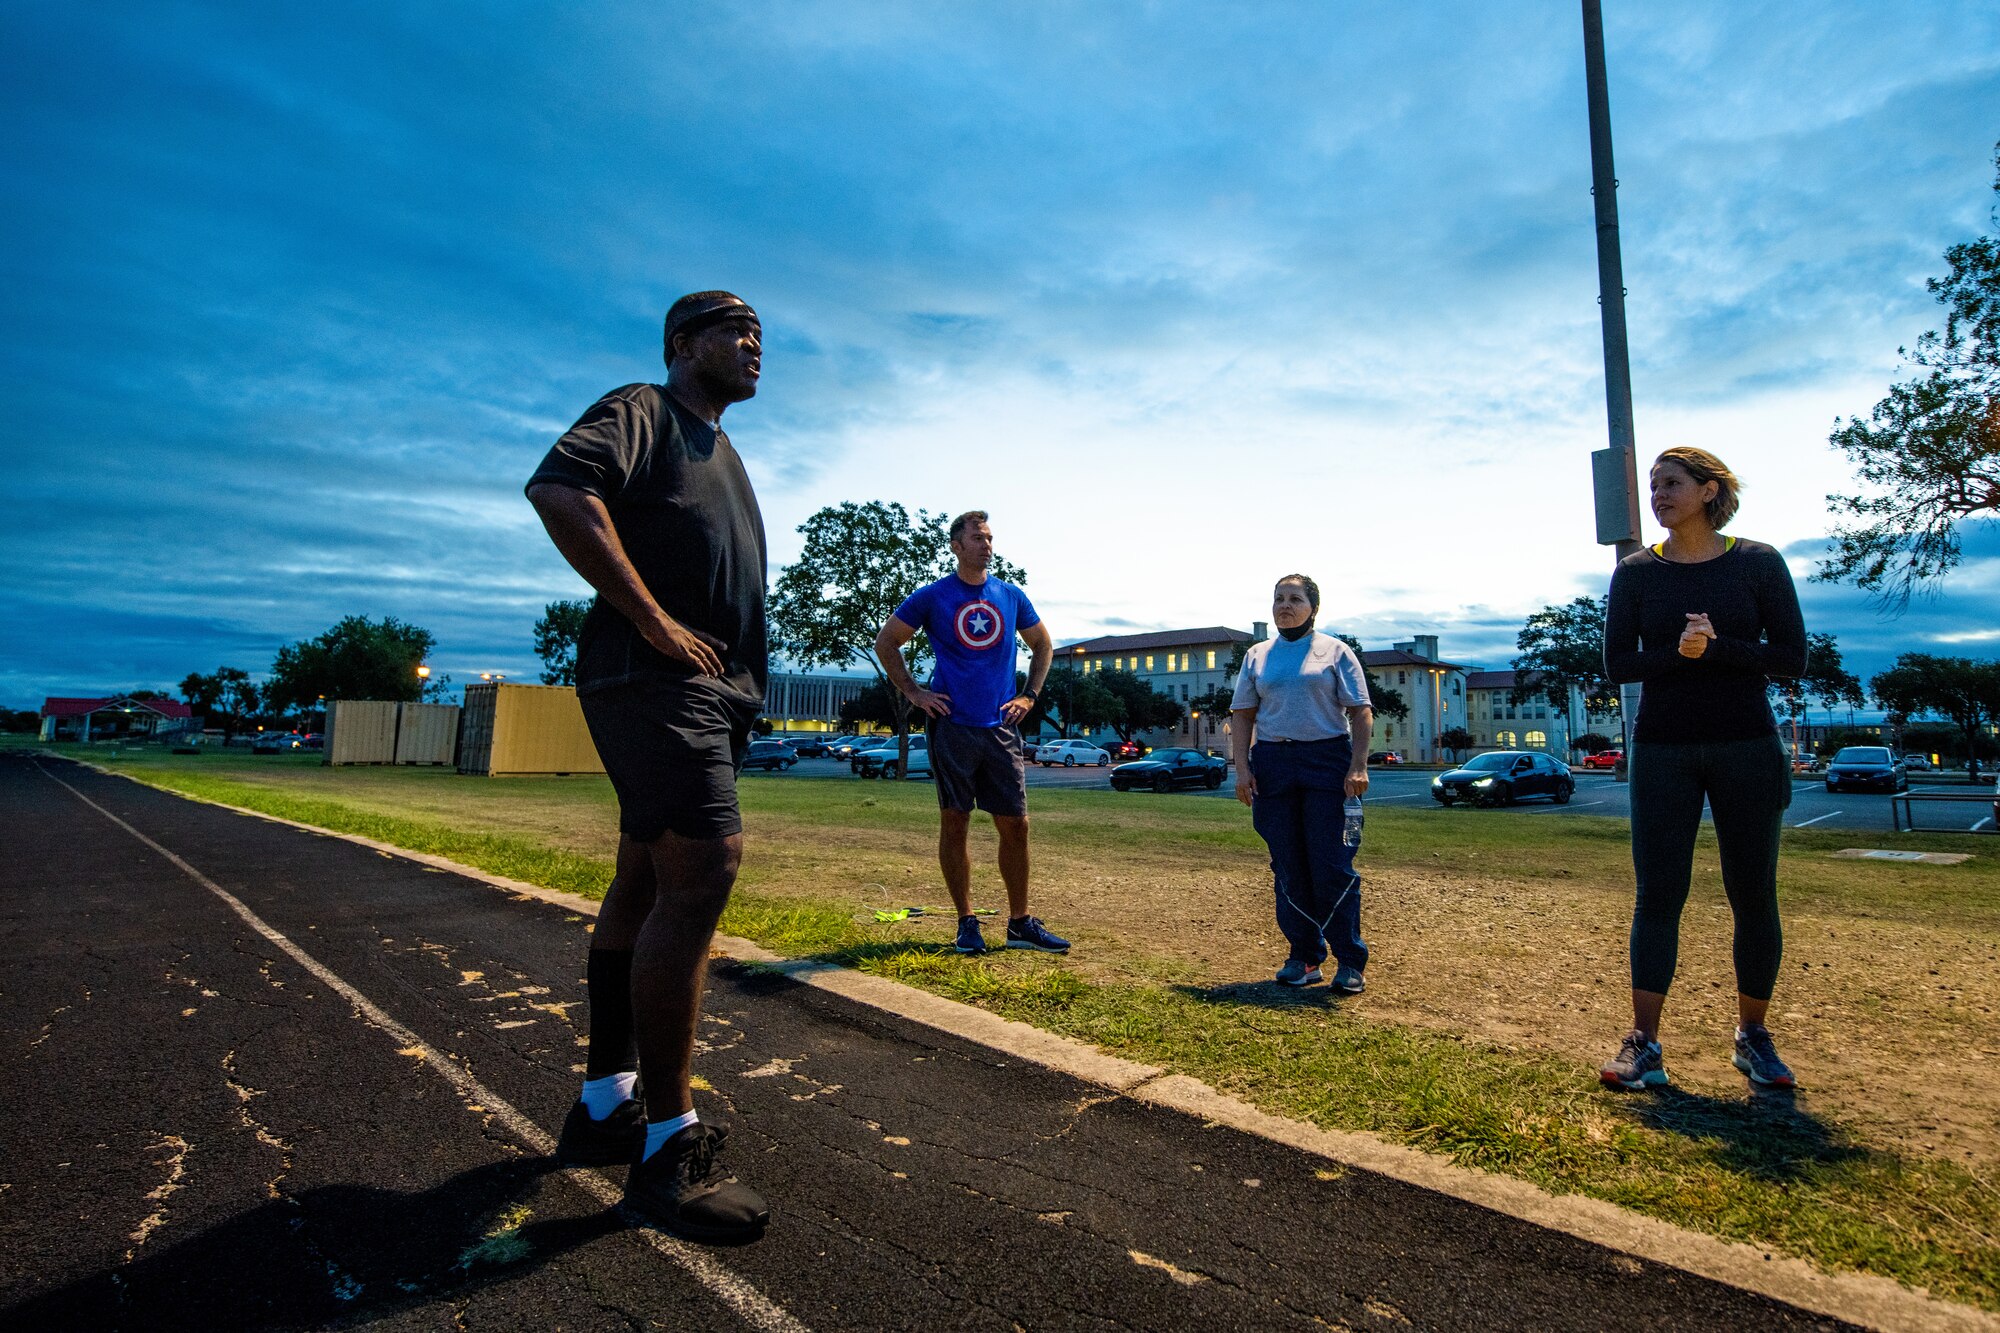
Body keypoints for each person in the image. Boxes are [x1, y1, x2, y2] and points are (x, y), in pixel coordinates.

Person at [524, 290, 769, 1242]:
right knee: (702, 872)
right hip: (656, 680)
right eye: (734, 330)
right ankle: (670, 1146)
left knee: (643, 876)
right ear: (682, 344)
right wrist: (654, 620)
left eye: (760, 336)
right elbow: (559, 488)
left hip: (710, 692)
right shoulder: (643, 407)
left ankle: (603, 1105)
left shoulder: (726, 450)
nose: (753, 346)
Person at [1599, 446, 1807, 1093]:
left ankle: (1753, 1036)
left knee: (1754, 893)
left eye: (1672, 483)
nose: (1658, 494)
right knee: (1658, 895)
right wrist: (1679, 652)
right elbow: (1618, 664)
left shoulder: (1758, 562)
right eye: (1654, 485)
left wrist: (1718, 647)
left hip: (1746, 743)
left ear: (1710, 490)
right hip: (1663, 747)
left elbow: (1792, 655)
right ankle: (1646, 1042)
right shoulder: (1636, 572)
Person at [874, 512, 1068, 955]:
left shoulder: (1010, 595)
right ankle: (966, 922)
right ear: (956, 546)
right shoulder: (932, 596)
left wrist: (1030, 696)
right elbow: (887, 643)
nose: (986, 545)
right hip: (951, 726)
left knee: (1016, 825)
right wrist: (915, 692)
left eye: (990, 538)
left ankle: (1020, 924)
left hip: (1000, 726)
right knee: (955, 821)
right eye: (977, 538)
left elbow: (1043, 644)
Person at [1229, 575, 1374, 993]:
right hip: (1273, 762)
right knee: (1288, 864)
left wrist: (1358, 766)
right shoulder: (1257, 655)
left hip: (1326, 761)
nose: (1284, 605)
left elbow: (1361, 712)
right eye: (1278, 598)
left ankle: (1350, 960)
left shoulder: (1335, 651)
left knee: (1330, 865)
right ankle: (1304, 956)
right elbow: (1242, 715)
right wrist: (1242, 769)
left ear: (1314, 607)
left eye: (1295, 598)